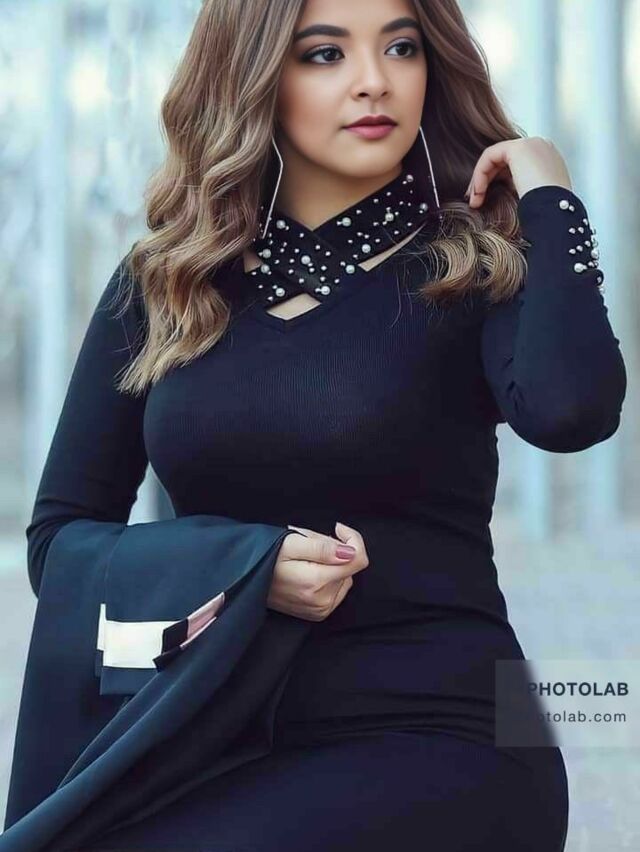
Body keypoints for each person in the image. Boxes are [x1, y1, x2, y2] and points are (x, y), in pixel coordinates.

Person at [1, 0, 627, 850]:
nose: (374, 81)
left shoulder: (472, 264)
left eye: (401, 47)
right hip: (208, 731)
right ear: (255, 75)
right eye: (325, 54)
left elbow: (572, 411)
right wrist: (242, 569)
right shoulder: (167, 285)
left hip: (447, 732)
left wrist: (551, 196)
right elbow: (62, 540)